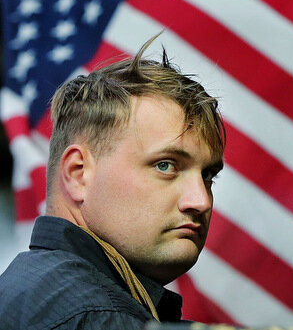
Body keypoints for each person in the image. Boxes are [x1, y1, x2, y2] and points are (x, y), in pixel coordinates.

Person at [0, 36, 226, 329]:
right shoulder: (96, 317)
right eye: (165, 165)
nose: (201, 201)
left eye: (207, 175)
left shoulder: (32, 289)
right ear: (78, 173)